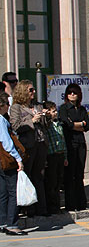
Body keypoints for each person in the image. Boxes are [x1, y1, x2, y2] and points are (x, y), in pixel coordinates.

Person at [10, 79, 49, 216]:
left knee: (39, 176)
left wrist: (46, 116)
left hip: (41, 143)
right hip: (28, 145)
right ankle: (29, 208)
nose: (33, 92)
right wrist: (31, 121)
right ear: (23, 91)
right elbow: (15, 126)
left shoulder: (37, 105)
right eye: (30, 90)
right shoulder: (16, 107)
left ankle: (42, 208)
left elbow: (45, 125)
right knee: (29, 175)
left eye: (33, 89)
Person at [58, 83, 89, 211]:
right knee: (69, 174)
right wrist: (79, 124)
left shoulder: (82, 109)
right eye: (70, 93)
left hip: (81, 143)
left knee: (79, 174)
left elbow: (87, 125)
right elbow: (68, 124)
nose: (72, 95)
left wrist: (77, 124)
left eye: (75, 93)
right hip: (69, 143)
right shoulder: (64, 108)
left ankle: (81, 203)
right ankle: (70, 204)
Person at [0, 91, 24, 234]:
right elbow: (7, 143)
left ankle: (2, 221)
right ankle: (12, 224)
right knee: (12, 192)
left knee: (2, 192)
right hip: (6, 158)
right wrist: (18, 159)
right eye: (7, 104)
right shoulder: (1, 120)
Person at [43, 101, 67, 214]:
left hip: (60, 154)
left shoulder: (59, 124)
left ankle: (57, 205)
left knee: (58, 181)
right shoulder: (48, 126)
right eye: (53, 111)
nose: (55, 113)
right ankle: (51, 206)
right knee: (51, 182)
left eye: (55, 111)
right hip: (51, 155)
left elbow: (63, 141)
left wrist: (65, 157)